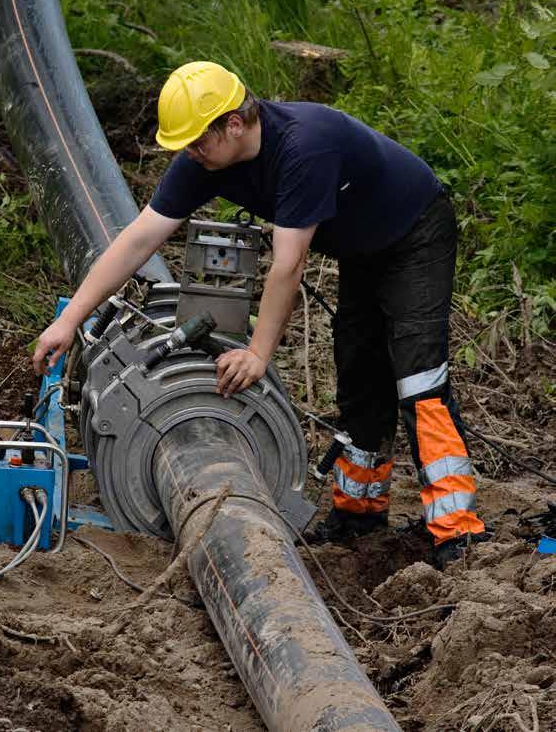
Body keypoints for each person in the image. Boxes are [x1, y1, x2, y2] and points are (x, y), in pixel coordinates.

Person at [34, 61, 486, 567]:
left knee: (418, 377)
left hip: (415, 232)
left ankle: (456, 532)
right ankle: (359, 513)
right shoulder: (205, 159)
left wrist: (257, 353)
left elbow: (288, 266)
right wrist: (70, 319)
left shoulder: (303, 147)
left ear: (233, 123)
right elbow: (140, 237)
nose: (190, 153)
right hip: (363, 249)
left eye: (197, 142)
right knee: (359, 373)